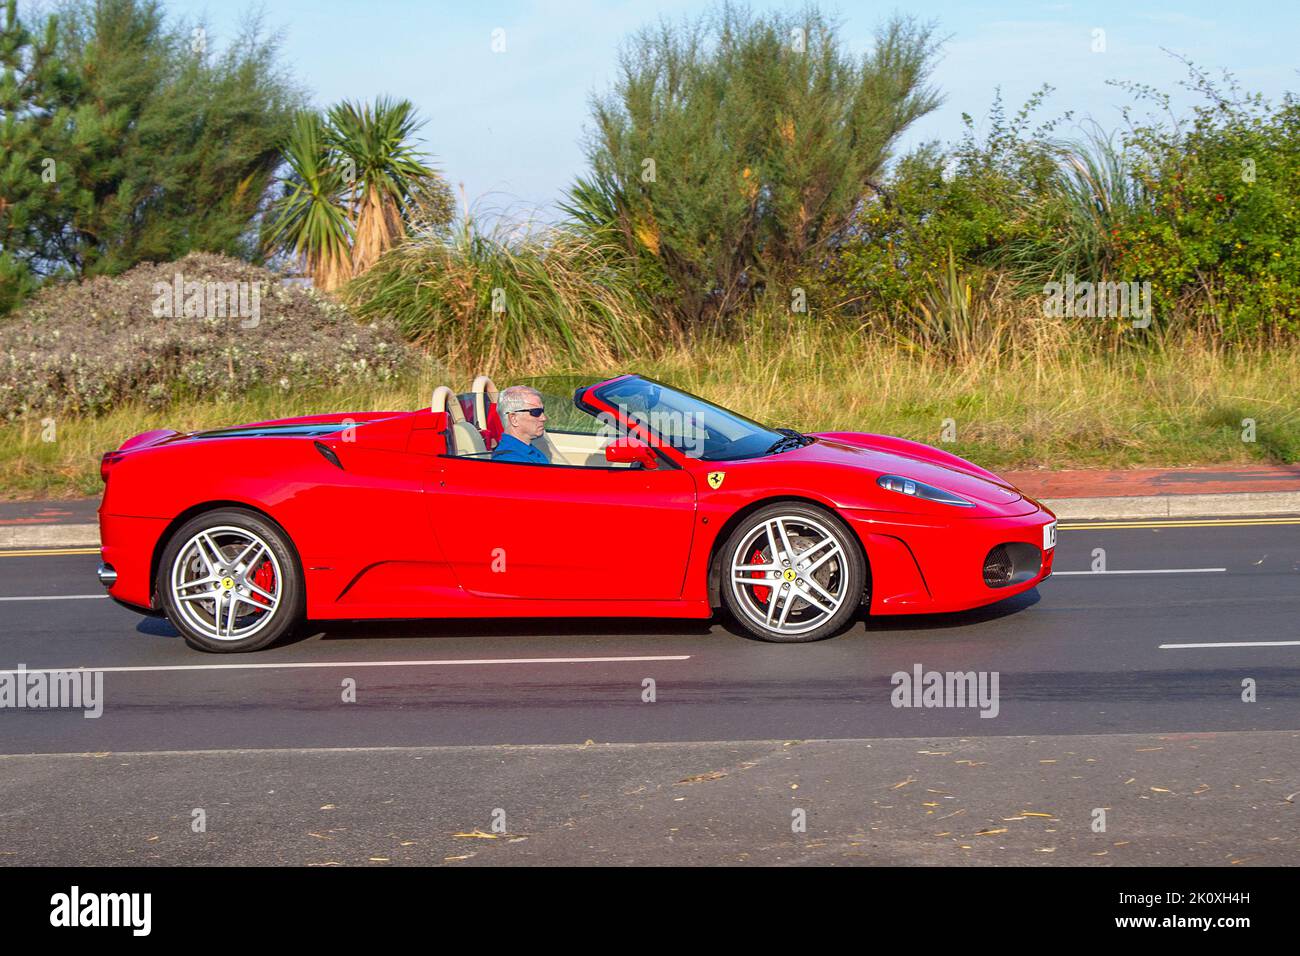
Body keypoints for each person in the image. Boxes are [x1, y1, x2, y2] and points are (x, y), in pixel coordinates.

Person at [491, 385, 551, 464]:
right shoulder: (509, 460)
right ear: (514, 419)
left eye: (543, 411)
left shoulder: (528, 449)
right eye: (536, 412)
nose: (544, 418)